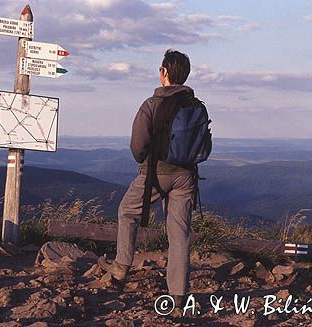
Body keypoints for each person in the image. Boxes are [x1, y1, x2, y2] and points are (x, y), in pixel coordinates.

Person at [98, 49, 198, 310]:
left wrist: (146, 162)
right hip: (187, 176)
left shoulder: (152, 104)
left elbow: (137, 146)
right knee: (179, 233)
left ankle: (120, 269)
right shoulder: (196, 105)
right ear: (185, 75)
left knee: (127, 212)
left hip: (155, 172)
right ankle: (178, 294)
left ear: (163, 72)